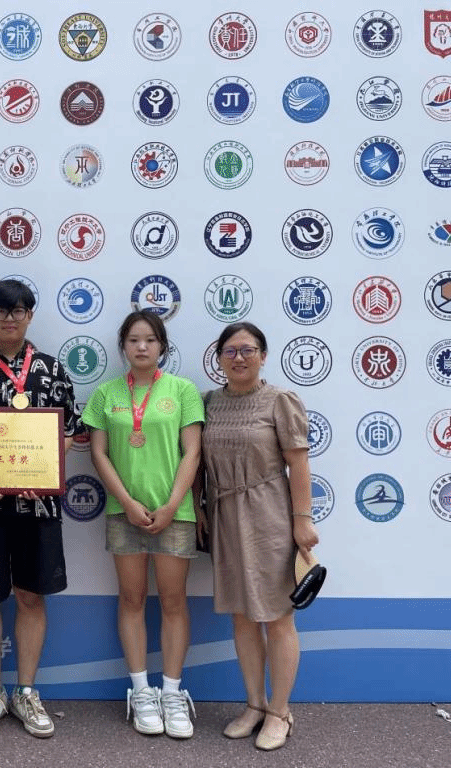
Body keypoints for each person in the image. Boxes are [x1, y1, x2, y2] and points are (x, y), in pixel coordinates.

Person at [0, 279, 83, 739]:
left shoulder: (52, 369)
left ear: (30, 316)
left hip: (37, 508)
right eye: (1, 310)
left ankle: (26, 690)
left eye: (19, 310)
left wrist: (42, 470)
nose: (10, 317)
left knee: (31, 596)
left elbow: (70, 432)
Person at [195, 321, 319, 751]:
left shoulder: (280, 400)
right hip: (225, 515)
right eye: (230, 351)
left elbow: (298, 463)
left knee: (277, 616)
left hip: (269, 515)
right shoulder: (209, 402)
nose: (239, 358)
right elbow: (197, 462)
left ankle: (280, 711)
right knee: (242, 616)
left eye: (248, 350)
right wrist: (198, 508)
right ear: (218, 359)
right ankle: (254, 704)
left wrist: (302, 520)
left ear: (263, 356)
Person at [82, 310, 203, 739]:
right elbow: (98, 454)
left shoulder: (183, 391)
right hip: (125, 512)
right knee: (131, 599)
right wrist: (128, 502)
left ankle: (171, 692)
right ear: (123, 346)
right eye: (133, 340)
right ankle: (141, 691)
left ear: (162, 346)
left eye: (150, 340)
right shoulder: (106, 394)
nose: (141, 347)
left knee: (173, 602)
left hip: (175, 512)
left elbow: (192, 453)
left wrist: (171, 505)